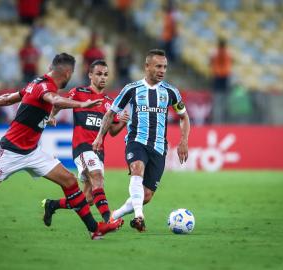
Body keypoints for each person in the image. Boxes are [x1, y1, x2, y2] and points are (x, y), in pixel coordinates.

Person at [0, 53, 123, 241]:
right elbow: (54, 99)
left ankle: (94, 229)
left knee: (69, 181)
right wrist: (80, 105)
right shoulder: (46, 87)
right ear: (68, 73)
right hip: (11, 151)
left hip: (33, 151)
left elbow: (10, 97)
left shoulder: (36, 82)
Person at [93, 49, 190, 232]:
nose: (162, 70)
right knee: (137, 169)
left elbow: (184, 117)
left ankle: (114, 215)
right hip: (136, 141)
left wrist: (184, 141)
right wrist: (100, 136)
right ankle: (139, 217)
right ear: (147, 67)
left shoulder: (171, 92)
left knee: (146, 196)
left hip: (159, 148)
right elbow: (110, 113)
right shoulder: (132, 89)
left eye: (165, 67)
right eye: (158, 66)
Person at [42, 59, 129, 225]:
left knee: (88, 198)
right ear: (90, 75)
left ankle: (52, 204)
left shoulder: (110, 102)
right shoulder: (79, 92)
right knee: (97, 178)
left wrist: (123, 121)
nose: (102, 78)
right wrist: (52, 115)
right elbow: (59, 103)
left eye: (105, 75)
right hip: (82, 148)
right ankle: (108, 219)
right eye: (98, 74)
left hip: (98, 150)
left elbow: (112, 132)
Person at [210, 37, 232, 123]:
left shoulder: (214, 52)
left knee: (217, 99)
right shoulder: (227, 53)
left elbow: (211, 62)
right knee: (223, 99)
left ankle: (217, 120)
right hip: (225, 76)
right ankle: (223, 120)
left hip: (217, 76)